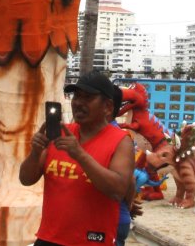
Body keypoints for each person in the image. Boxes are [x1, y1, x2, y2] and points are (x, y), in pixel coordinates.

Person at [19, 69, 134, 246]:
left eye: (88, 97)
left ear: (108, 107)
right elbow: (26, 179)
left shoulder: (121, 141)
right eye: (76, 96)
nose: (78, 103)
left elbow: (118, 190)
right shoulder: (59, 134)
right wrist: (35, 152)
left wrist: (80, 155)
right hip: (48, 238)